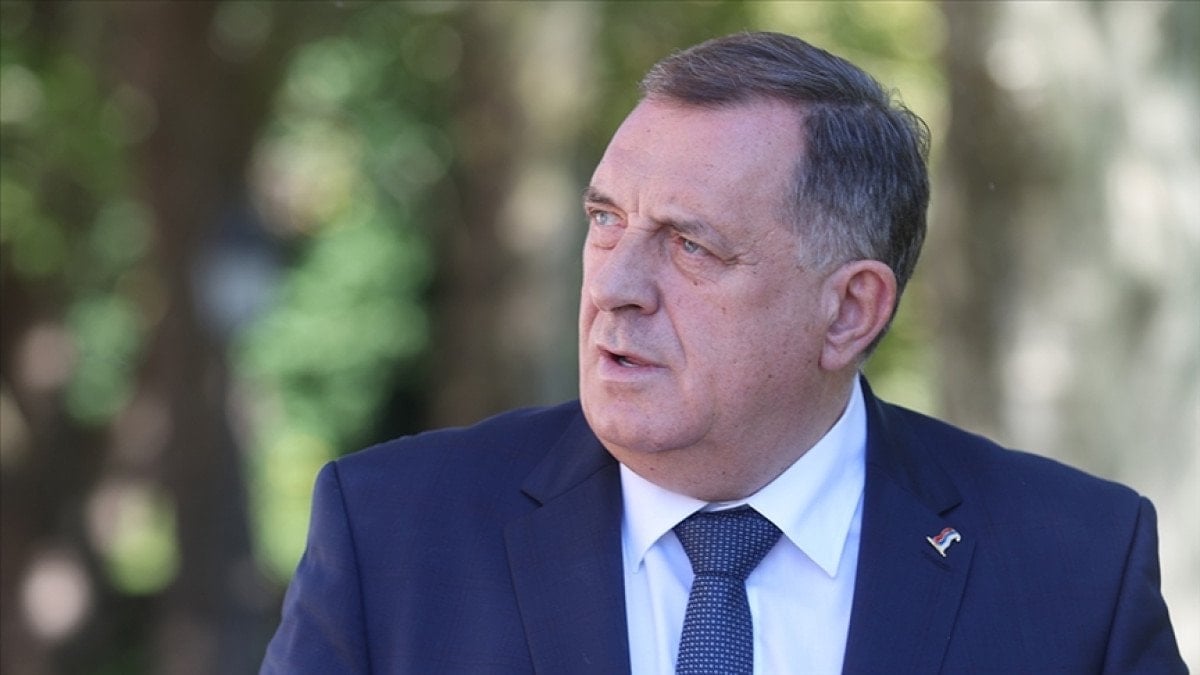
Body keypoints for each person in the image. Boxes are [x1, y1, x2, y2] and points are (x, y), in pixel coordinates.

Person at [261, 32, 1186, 674]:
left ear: (849, 310)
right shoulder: (394, 536)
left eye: (690, 244)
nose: (616, 283)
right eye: (605, 219)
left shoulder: (1075, 569)